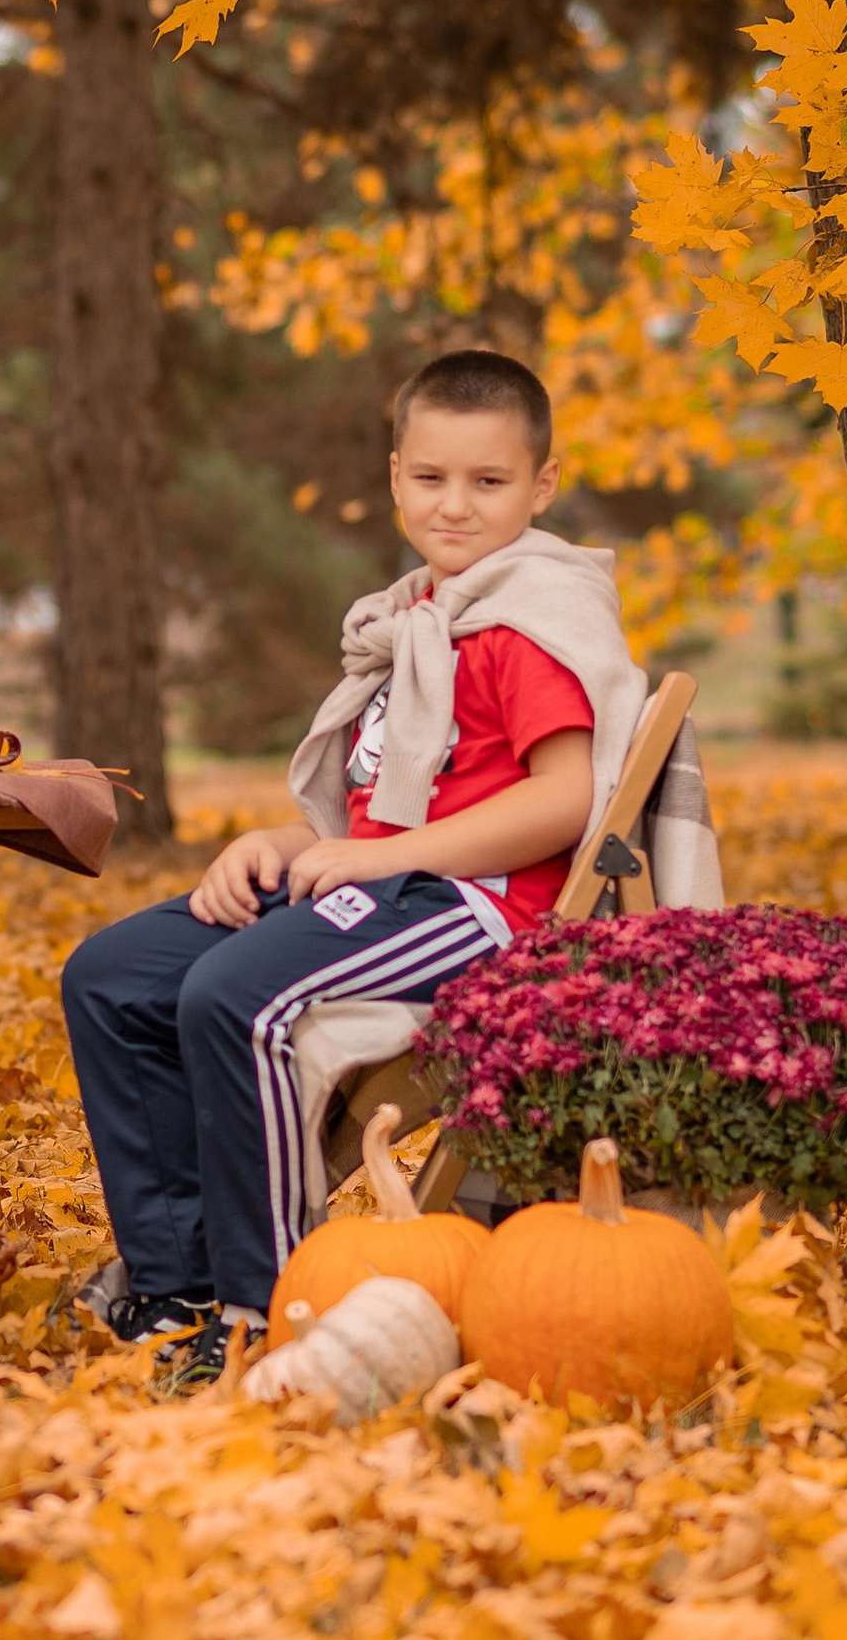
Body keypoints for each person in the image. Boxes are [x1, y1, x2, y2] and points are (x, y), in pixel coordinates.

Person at [61, 350, 652, 1386]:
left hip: (480, 906)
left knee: (235, 996)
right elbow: (370, 815)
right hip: (388, 884)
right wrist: (275, 846)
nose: (454, 505)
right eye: (430, 479)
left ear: (541, 486)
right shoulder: (414, 621)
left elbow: (566, 801)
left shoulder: (526, 622)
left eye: (488, 481)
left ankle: (265, 1306)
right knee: (111, 974)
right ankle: (175, 1279)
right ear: (393, 478)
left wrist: (377, 860)